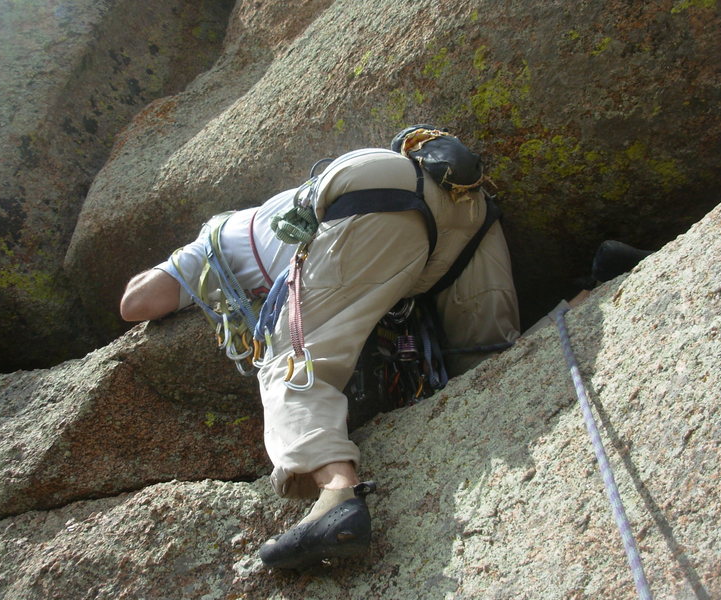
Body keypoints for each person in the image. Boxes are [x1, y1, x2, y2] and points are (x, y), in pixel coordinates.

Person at [119, 126, 520, 569]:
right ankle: (592, 289)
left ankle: (337, 497)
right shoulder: (266, 216)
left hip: (375, 196)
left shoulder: (214, 241)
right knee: (492, 357)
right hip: (464, 205)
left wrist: (180, 257)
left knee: (293, 362)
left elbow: (136, 303)